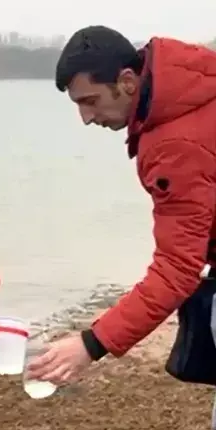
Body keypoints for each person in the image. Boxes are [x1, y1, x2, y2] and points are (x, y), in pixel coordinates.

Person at [27, 26, 216, 389]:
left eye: (91, 101)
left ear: (128, 80)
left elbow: (177, 268)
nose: (85, 117)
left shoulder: (175, 143)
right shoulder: (195, 85)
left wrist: (91, 344)